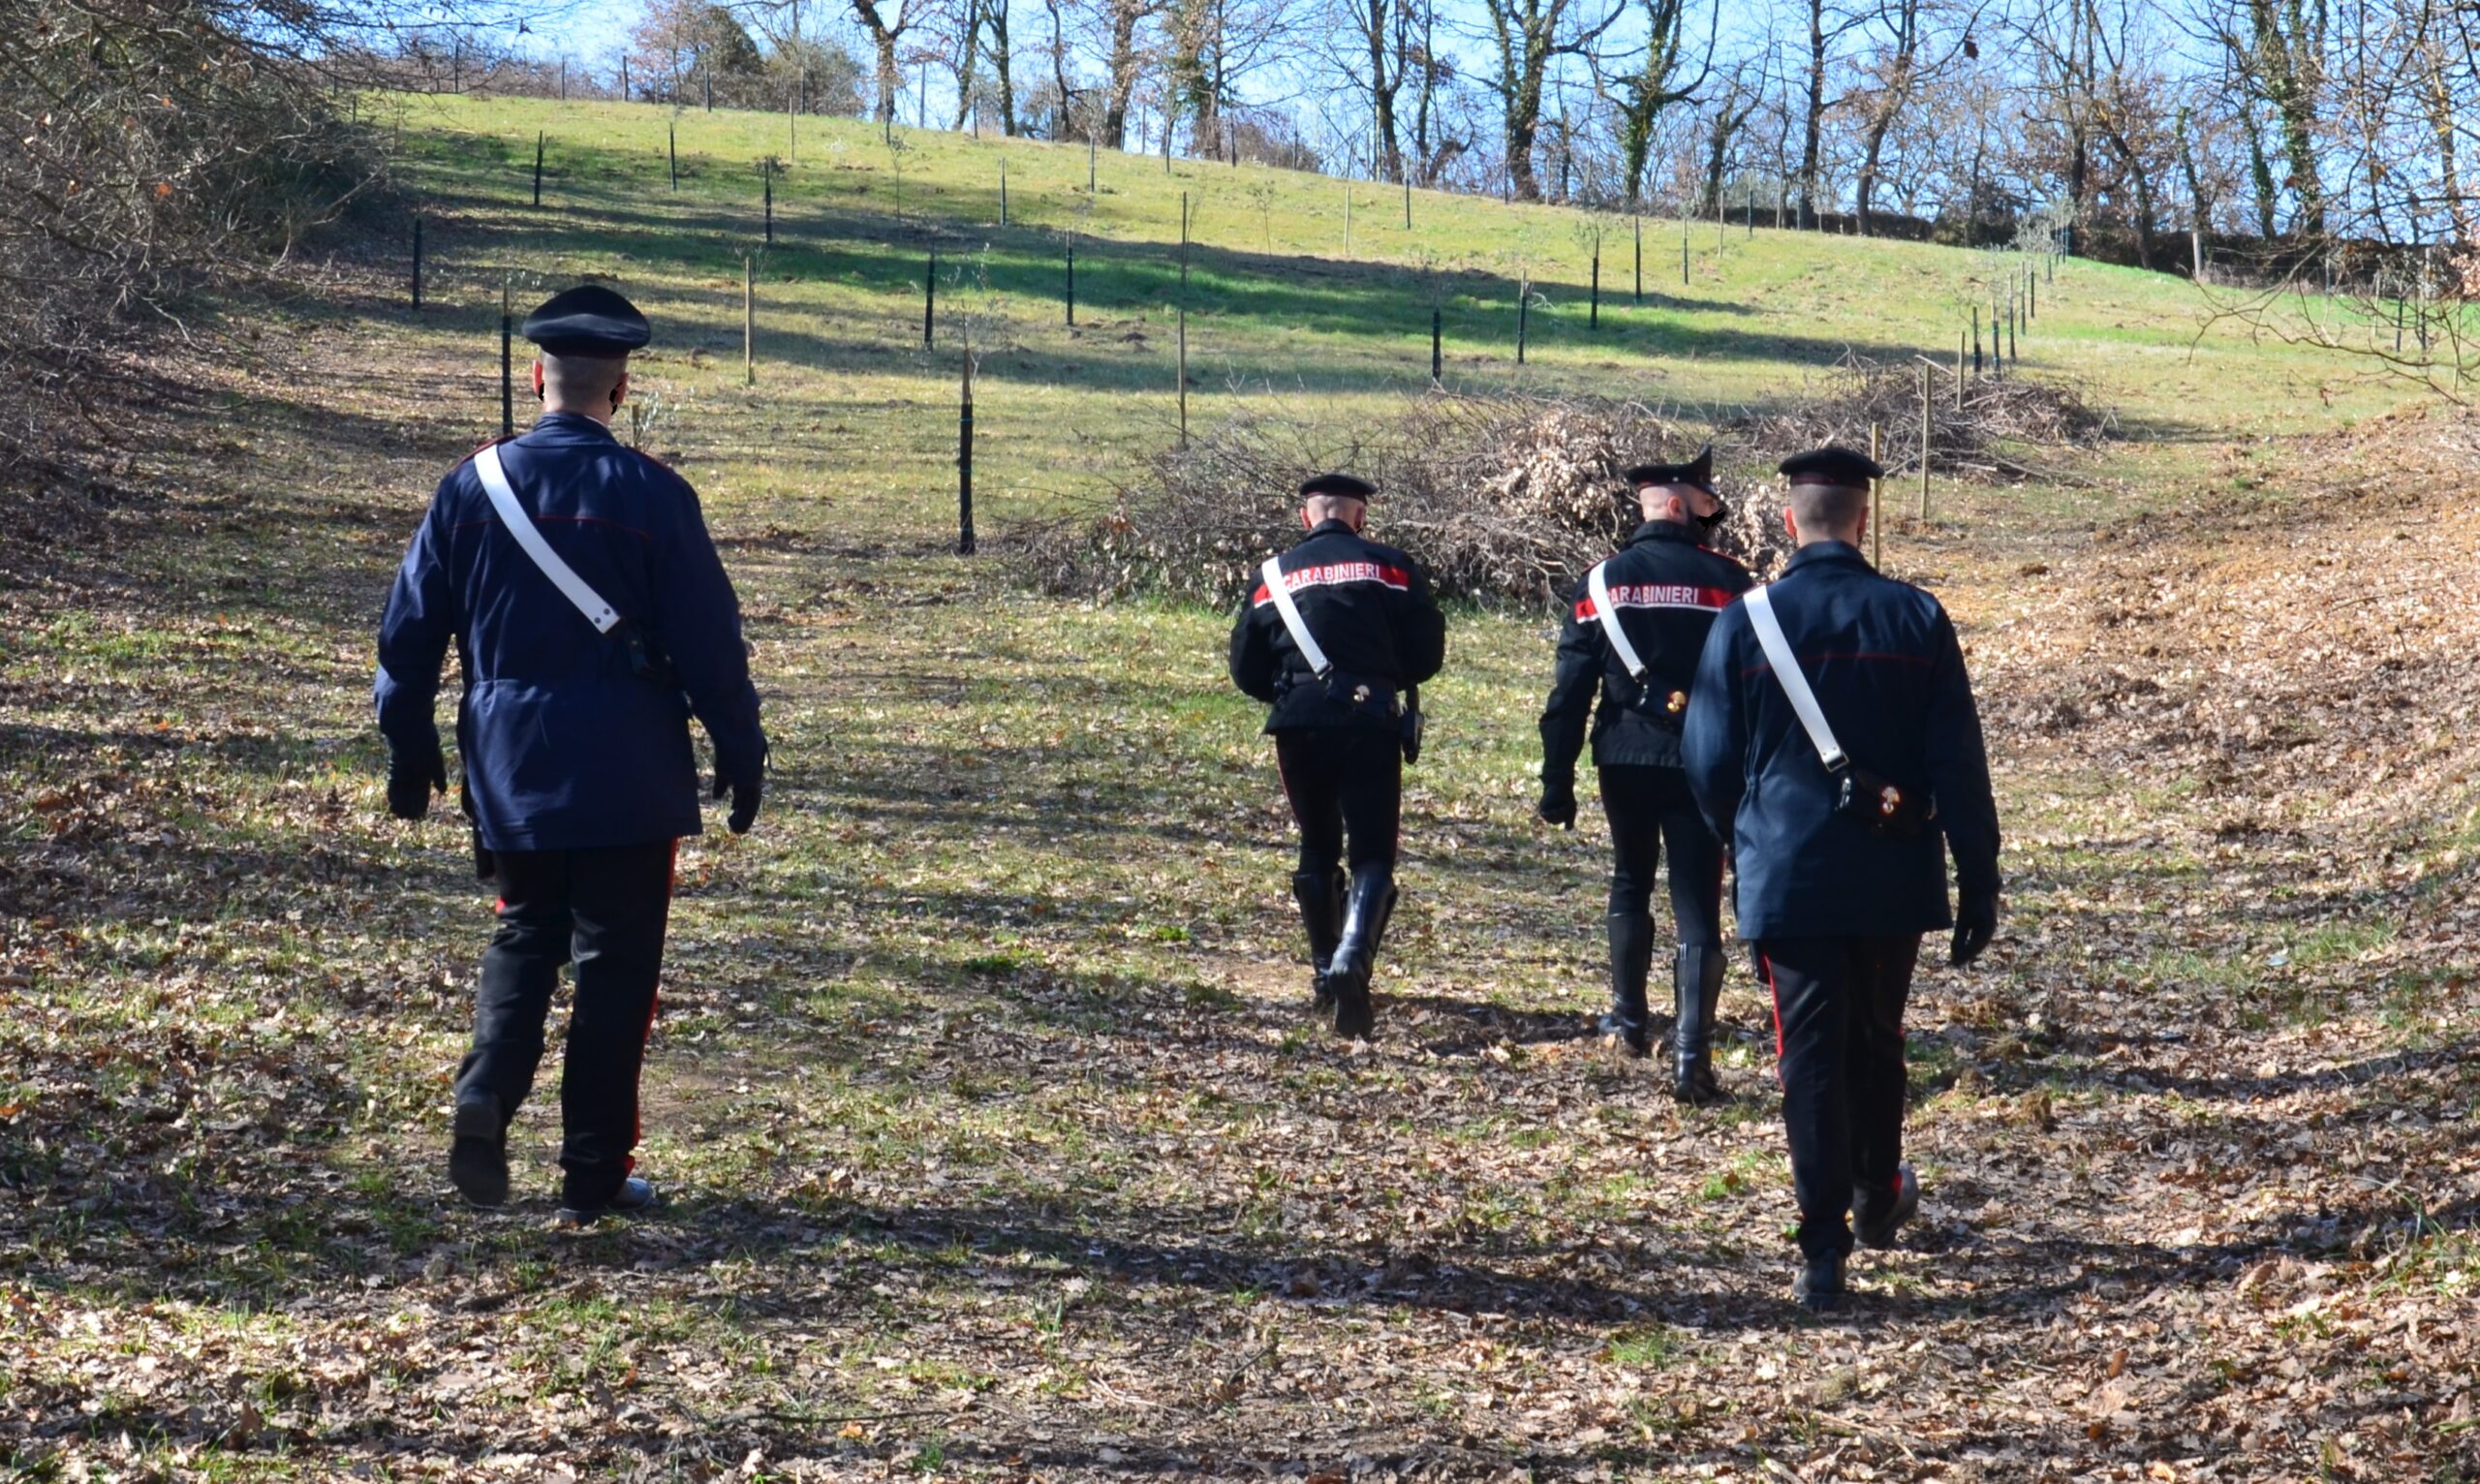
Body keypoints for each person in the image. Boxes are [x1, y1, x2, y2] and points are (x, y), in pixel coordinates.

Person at [373, 285, 767, 1226]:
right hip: (630, 772)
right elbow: (713, 642)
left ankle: (486, 1093)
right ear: (620, 389)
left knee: (525, 929)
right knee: (615, 965)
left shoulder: (469, 489)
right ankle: (591, 1173)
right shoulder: (657, 498)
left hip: (512, 767)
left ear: (534, 376)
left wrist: (407, 738)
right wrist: (741, 744)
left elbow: (410, 629)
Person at [1681, 445, 2000, 1312]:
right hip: (1893, 869)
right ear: (1862, 518)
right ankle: (1871, 1190)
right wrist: (1980, 875)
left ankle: (1822, 1250)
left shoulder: (1743, 624)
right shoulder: (1916, 617)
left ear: (1790, 521)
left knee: (1808, 1054)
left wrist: (1745, 842)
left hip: (1789, 875)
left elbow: (1706, 762)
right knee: (1880, 1037)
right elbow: (1957, 762)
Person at [1535, 448, 1752, 1099]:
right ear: (1682, 505)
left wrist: (1557, 778)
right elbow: (1753, 684)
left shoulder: (1601, 583)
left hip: (1623, 753)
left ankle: (1628, 1019)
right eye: (1707, 503)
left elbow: (1569, 690)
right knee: (1697, 902)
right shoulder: (1729, 582)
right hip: (1703, 760)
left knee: (1630, 879)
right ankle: (1692, 1054)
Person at [1228, 473, 1444, 1039]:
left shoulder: (1271, 577)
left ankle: (1326, 974)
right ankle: (1354, 956)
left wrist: (1290, 688)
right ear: (1360, 517)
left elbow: (1245, 670)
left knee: (1317, 844)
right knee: (1373, 852)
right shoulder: (1393, 568)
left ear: (1306, 518)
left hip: (1298, 726)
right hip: (1370, 722)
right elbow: (1426, 655)